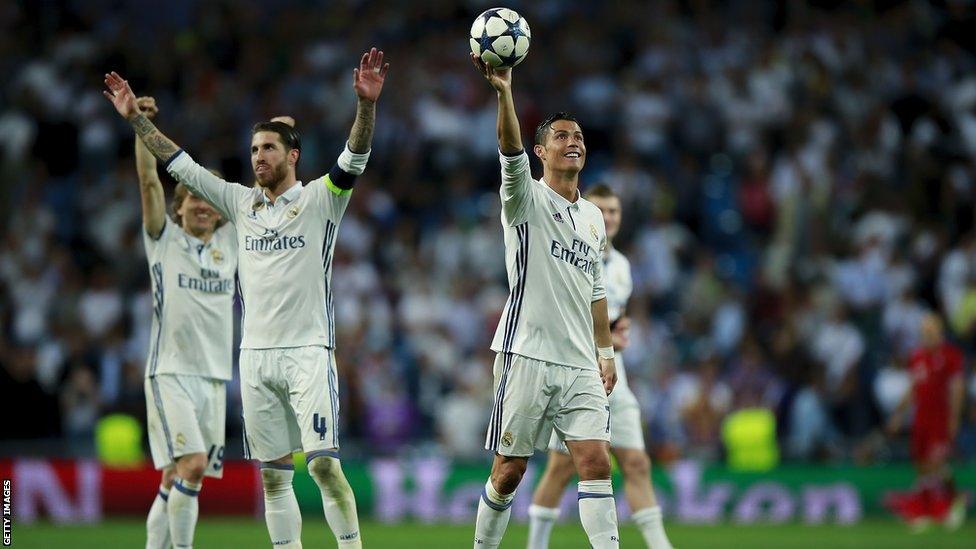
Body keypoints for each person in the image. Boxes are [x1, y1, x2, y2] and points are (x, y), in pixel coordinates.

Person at [103, 47, 389, 548]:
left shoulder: (322, 199)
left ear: (292, 156)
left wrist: (365, 105)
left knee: (322, 465)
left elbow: (356, 155)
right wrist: (135, 123)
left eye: (269, 149)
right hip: (254, 360)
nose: (258, 157)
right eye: (254, 149)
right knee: (274, 478)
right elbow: (178, 165)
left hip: (308, 351)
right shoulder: (238, 203)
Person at [469, 53, 620, 548]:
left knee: (597, 462)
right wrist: (504, 91)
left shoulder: (594, 218)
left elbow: (596, 290)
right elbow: (507, 149)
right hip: (527, 353)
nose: (572, 142)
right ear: (540, 151)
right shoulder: (525, 197)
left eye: (578, 137)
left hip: (579, 362)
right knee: (510, 470)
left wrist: (605, 352)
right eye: (561, 136)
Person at [528, 185, 674, 549]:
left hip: (614, 373)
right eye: (603, 210)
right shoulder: (569, 253)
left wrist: (617, 336)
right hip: (575, 371)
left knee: (637, 462)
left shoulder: (622, 266)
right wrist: (607, 333)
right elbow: (564, 315)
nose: (609, 218)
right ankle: (536, 545)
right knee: (561, 469)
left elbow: (614, 319)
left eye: (615, 211)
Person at [132, 97, 238, 549]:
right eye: (193, 196)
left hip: (214, 377)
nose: (200, 205)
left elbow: (259, 199)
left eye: (208, 199)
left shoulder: (231, 243)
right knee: (192, 464)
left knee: (176, 476)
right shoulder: (164, 239)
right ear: (179, 207)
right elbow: (148, 182)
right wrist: (141, 127)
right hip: (171, 371)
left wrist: (282, 134)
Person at [887, 313, 967, 530]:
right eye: (923, 330)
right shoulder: (917, 356)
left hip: (939, 418)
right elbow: (913, 388)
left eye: (930, 330)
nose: (926, 334)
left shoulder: (951, 355)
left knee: (935, 465)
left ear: (939, 331)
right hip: (920, 419)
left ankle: (933, 508)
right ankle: (944, 505)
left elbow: (957, 388)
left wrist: (954, 418)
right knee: (922, 467)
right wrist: (898, 414)